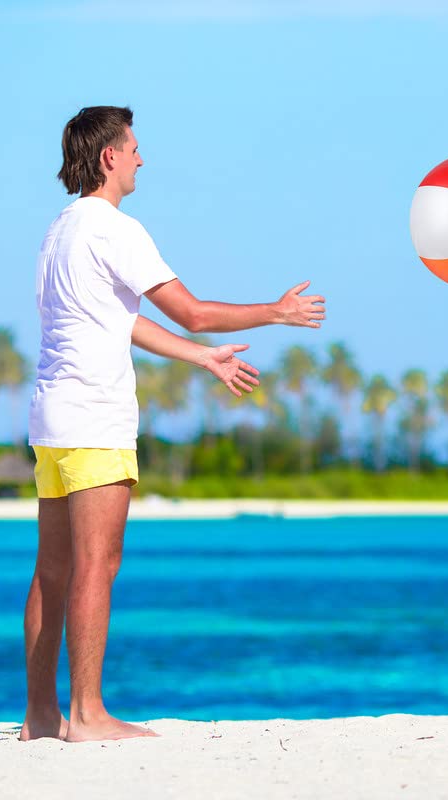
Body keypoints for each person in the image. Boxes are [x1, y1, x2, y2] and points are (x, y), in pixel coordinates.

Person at [22, 106, 326, 743]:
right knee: (95, 567)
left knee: (51, 570)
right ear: (109, 156)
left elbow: (119, 320)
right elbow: (193, 311)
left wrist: (201, 359)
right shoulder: (116, 229)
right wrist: (275, 311)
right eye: (133, 147)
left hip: (52, 420)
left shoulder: (60, 230)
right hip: (96, 417)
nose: (140, 158)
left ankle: (41, 717)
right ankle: (87, 715)